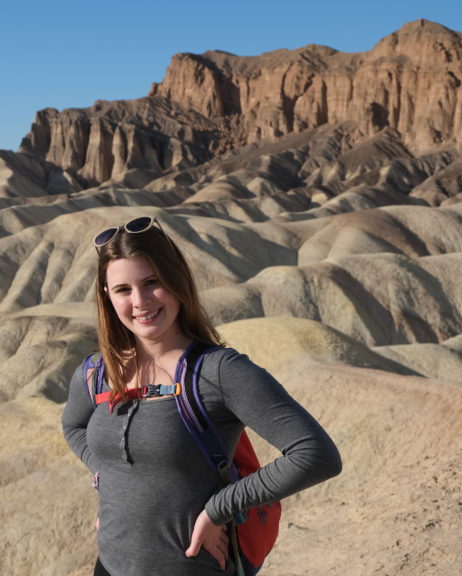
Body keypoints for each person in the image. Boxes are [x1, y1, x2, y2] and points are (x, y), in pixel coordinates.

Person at [61, 216, 342, 576]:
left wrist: (219, 509)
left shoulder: (218, 372)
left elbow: (317, 455)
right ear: (106, 295)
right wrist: (107, 478)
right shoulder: (97, 372)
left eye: (152, 282)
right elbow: (72, 425)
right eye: (123, 290)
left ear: (177, 281)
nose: (141, 301)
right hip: (110, 567)